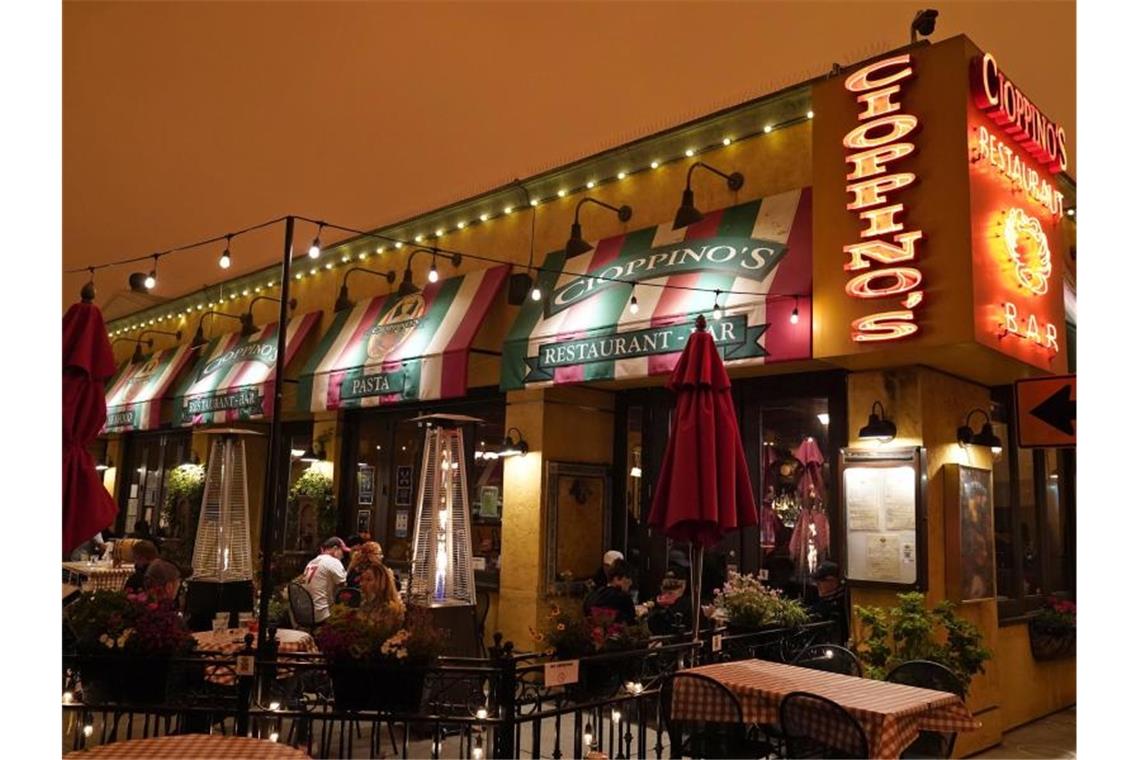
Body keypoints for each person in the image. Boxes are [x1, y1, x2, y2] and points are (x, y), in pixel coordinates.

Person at [303, 537, 349, 624]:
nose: (343, 556)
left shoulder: (312, 562)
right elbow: (344, 586)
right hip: (322, 614)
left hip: (307, 613)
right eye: (342, 552)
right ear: (335, 549)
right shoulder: (333, 561)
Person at [583, 559, 637, 625]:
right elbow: (632, 624)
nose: (631, 582)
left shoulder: (591, 595)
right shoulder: (624, 598)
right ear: (616, 578)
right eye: (628, 577)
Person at [807, 561, 849, 645]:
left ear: (833, 581)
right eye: (816, 581)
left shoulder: (841, 603)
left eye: (821, 581)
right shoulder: (823, 599)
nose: (817, 584)